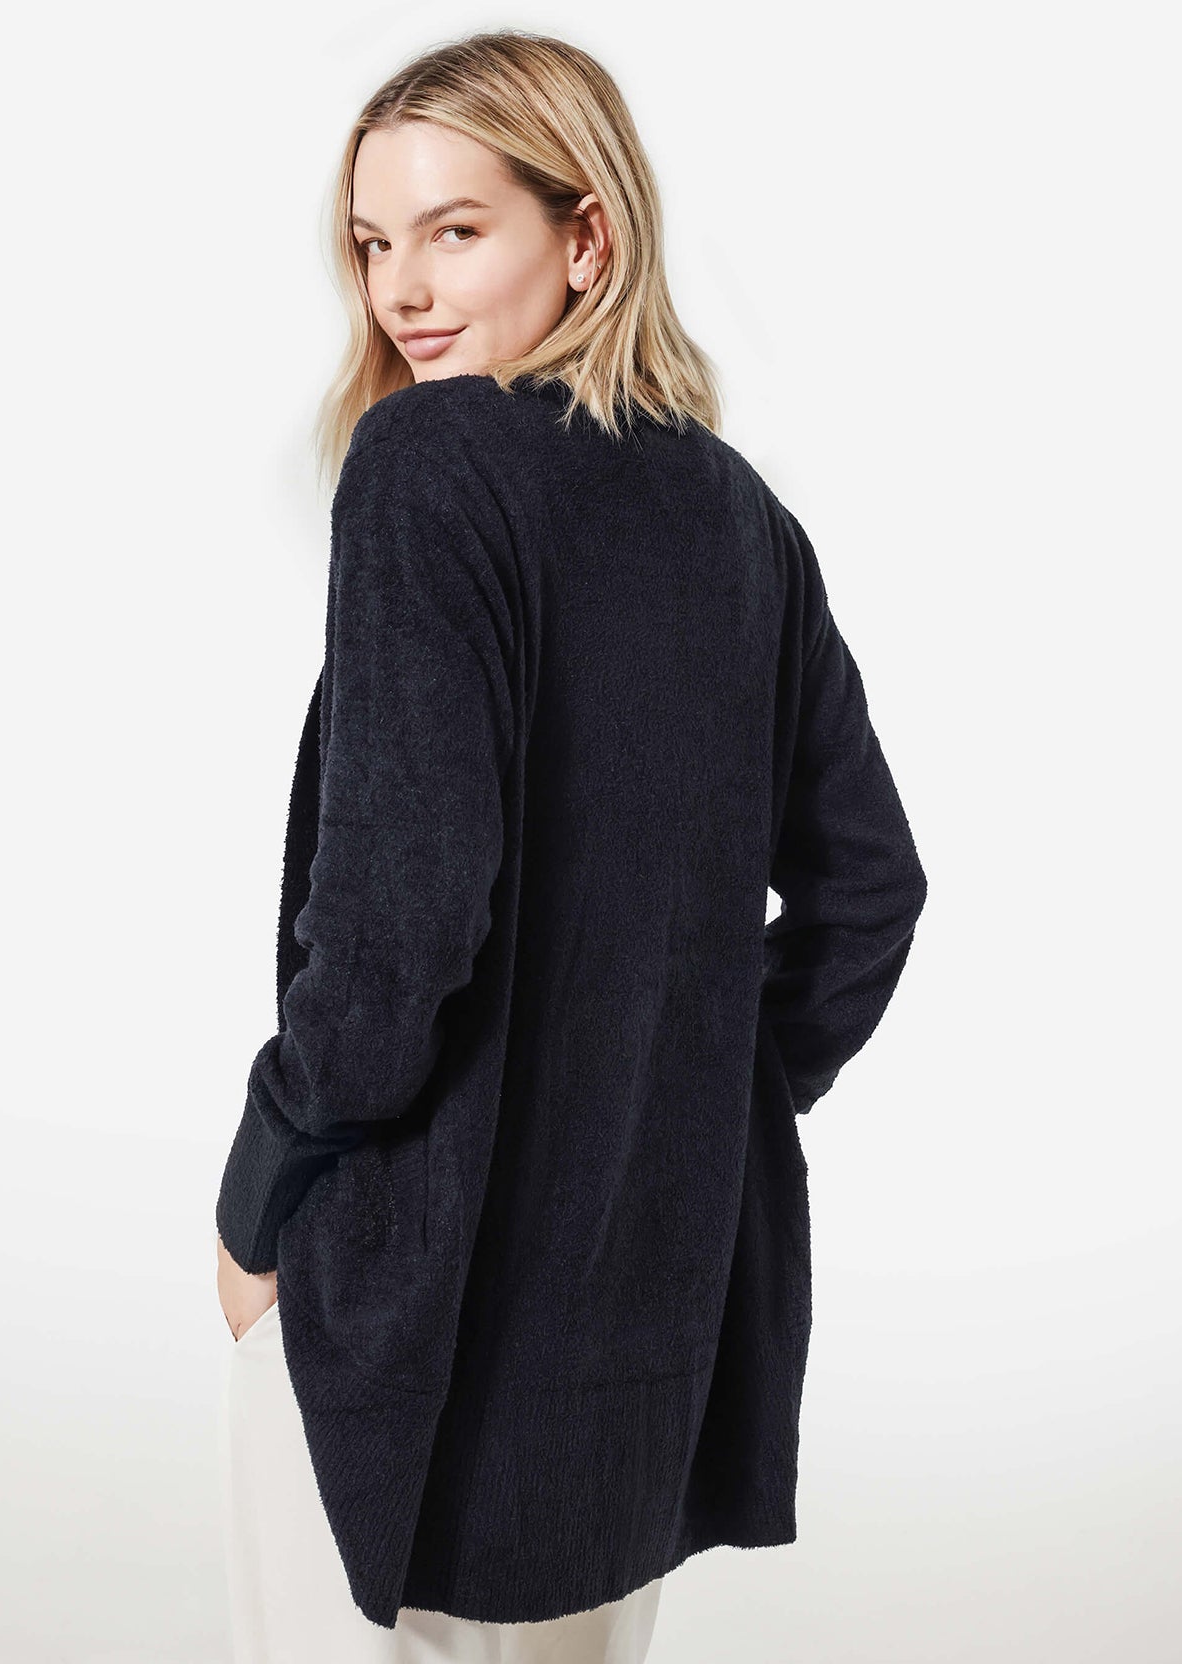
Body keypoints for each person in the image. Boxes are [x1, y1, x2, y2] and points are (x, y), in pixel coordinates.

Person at [214, 28, 928, 1664]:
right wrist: (690, 1094)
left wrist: (265, 1195)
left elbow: (396, 923)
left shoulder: (427, 465)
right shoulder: (740, 517)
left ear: (586, 236)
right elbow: (871, 888)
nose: (402, 290)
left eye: (456, 230)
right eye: (372, 242)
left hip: (410, 1305)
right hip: (643, 1326)